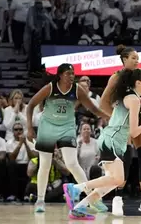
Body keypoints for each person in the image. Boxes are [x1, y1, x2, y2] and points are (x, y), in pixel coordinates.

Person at [63, 68, 141, 220]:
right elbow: (133, 132)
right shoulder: (134, 99)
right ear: (137, 82)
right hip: (112, 140)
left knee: (112, 181)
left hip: (111, 139)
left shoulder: (129, 97)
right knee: (117, 179)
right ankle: (75, 188)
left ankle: (79, 208)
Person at [26, 64, 110, 214]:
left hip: (67, 127)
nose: (72, 76)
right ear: (60, 75)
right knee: (44, 164)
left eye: (73, 74)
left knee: (72, 163)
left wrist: (108, 116)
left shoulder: (77, 89)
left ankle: (93, 198)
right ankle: (40, 200)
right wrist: (30, 128)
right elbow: (31, 104)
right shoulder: (50, 87)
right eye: (68, 73)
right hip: (48, 127)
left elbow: (93, 108)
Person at [100, 45, 141, 216]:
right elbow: (103, 102)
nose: (137, 60)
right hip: (123, 124)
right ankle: (117, 198)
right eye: (133, 57)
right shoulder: (116, 77)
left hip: (139, 118)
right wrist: (115, 118)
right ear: (124, 59)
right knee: (125, 159)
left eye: (138, 57)